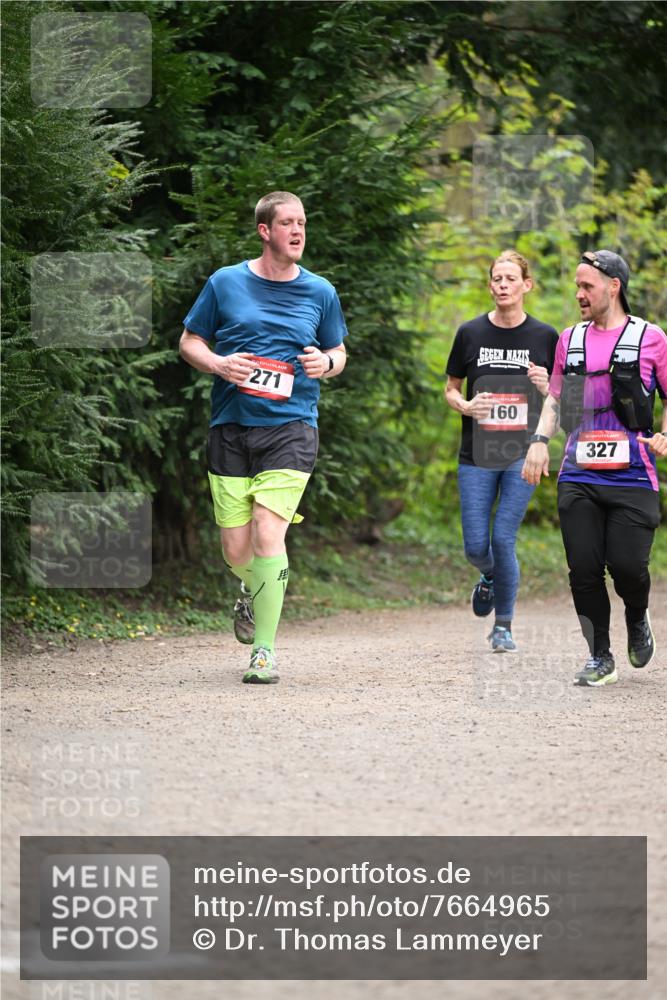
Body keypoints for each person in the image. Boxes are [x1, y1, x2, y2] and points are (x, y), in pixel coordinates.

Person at [179, 191, 348, 684]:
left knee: (268, 532)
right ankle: (253, 590)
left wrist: (326, 363)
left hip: (292, 427)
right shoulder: (225, 282)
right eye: (288, 223)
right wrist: (218, 364)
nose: (298, 231)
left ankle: (263, 652)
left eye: (302, 223)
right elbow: (190, 341)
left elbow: (338, 352)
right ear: (265, 230)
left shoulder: (320, 291)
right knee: (236, 550)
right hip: (231, 426)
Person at [522, 250, 667, 687]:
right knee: (584, 569)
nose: (579, 294)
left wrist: (664, 435)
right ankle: (600, 656)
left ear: (614, 287)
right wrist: (539, 442)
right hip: (579, 472)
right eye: (577, 287)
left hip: (633, 473)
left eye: (587, 286)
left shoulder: (651, 338)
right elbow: (557, 399)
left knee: (628, 568)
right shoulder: (570, 339)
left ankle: (637, 614)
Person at [445, 250, 559, 651]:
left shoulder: (546, 337)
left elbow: (565, 399)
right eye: (497, 279)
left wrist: (548, 386)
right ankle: (489, 576)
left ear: (527, 285)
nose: (503, 285)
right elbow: (451, 388)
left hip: (522, 454)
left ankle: (503, 626)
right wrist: (465, 406)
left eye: (511, 278)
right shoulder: (470, 333)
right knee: (476, 547)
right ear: (490, 285)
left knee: (503, 539)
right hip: (476, 455)